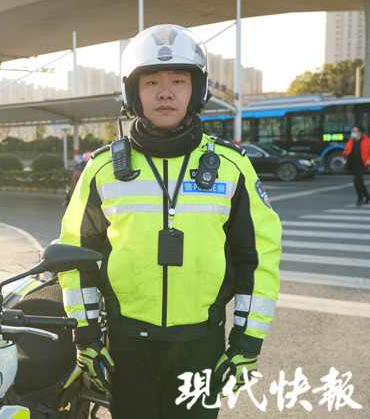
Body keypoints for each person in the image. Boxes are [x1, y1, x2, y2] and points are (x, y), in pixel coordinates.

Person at [58, 24, 282, 418]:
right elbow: (76, 257)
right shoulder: (102, 169)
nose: (165, 92)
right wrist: (86, 337)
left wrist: (247, 343)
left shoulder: (232, 167)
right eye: (152, 82)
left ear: (197, 89)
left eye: (178, 80)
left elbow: (259, 259)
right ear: (133, 93)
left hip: (200, 344)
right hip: (126, 345)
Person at [342, 126, 370, 206]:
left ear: (360, 133)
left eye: (355, 131)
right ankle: (367, 196)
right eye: (353, 131)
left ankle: (360, 198)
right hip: (353, 164)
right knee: (359, 180)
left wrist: (369, 159)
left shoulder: (367, 141)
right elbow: (346, 152)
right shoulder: (350, 141)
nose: (352, 133)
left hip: (363, 163)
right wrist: (345, 154)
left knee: (356, 179)